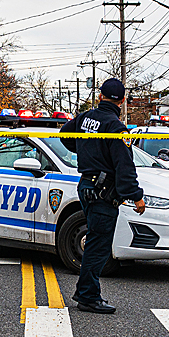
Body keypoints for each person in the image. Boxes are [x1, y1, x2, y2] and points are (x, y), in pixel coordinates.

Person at [60, 78, 145, 314]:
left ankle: (87, 292)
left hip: (86, 186)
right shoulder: (116, 128)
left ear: (100, 96)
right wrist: (136, 196)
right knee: (98, 246)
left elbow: (65, 135)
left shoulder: (85, 118)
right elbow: (124, 165)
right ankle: (88, 295)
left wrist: (86, 149)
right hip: (103, 192)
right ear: (123, 101)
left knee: (95, 241)